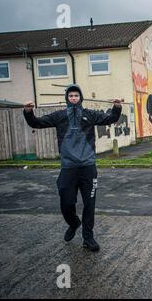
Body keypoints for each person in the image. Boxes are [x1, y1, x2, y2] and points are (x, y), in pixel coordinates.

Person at [23, 84, 122, 251]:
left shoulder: (89, 114)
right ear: (67, 98)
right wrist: (28, 111)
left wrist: (117, 107)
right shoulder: (59, 115)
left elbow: (110, 118)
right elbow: (36, 123)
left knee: (89, 204)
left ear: (80, 98)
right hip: (68, 167)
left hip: (88, 167)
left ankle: (88, 238)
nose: (74, 98)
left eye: (76, 95)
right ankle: (74, 222)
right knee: (66, 203)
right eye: (71, 96)